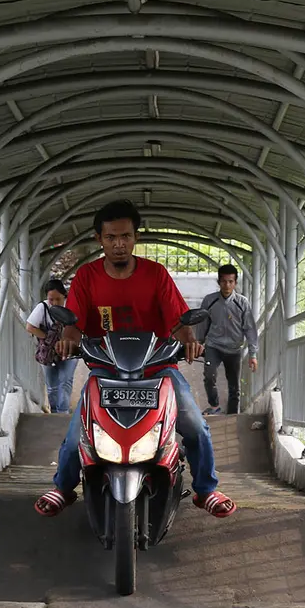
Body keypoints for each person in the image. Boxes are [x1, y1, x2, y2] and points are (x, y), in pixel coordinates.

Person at [33, 199, 238, 519]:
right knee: (77, 434)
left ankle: (206, 489)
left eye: (125, 236)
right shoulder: (86, 277)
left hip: (158, 370)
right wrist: (67, 343)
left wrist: (190, 343)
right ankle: (63, 487)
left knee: (195, 426)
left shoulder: (156, 274)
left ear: (135, 238)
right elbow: (73, 326)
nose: (119, 244)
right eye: (111, 237)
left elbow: (178, 324)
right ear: (99, 239)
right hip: (105, 371)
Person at [194, 264, 259, 415]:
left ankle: (232, 415)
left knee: (234, 385)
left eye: (231, 281)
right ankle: (214, 405)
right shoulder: (209, 301)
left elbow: (250, 328)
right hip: (213, 346)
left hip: (234, 349)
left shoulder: (242, 303)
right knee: (209, 375)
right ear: (219, 282)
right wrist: (198, 343)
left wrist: (253, 354)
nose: (227, 285)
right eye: (224, 281)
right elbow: (203, 324)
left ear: (235, 283)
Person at [26, 278, 79, 414]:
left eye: (58, 299)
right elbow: (30, 326)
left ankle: (63, 413)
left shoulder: (72, 306)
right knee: (52, 387)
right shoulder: (42, 307)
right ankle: (55, 412)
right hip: (49, 352)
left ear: (64, 296)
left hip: (69, 351)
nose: (55, 303)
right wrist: (46, 337)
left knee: (65, 383)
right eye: (51, 299)